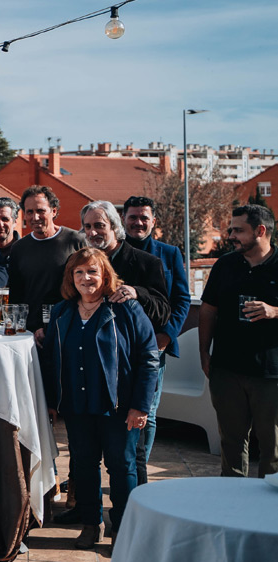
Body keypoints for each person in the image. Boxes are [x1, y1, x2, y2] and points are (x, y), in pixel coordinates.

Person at [40, 248, 157, 549]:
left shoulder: (126, 309)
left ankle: (124, 528)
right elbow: (52, 361)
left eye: (92, 271)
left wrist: (141, 405)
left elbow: (148, 357)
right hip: (78, 406)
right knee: (84, 465)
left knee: (122, 467)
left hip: (119, 407)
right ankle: (92, 524)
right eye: (79, 272)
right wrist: (53, 402)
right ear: (71, 278)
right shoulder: (62, 312)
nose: (85, 278)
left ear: (105, 275)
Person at [199, 204, 278, 478]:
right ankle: (231, 507)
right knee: (231, 445)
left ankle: (268, 514)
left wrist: (274, 311)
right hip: (227, 370)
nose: (231, 235)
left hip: (271, 375)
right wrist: (204, 354)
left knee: (274, 449)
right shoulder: (225, 265)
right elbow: (208, 309)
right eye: (231, 229)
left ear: (260, 230)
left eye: (238, 230)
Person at [122, 195, 191, 484]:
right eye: (133, 217)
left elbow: (182, 300)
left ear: (154, 221)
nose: (138, 222)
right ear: (123, 219)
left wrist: (165, 336)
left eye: (144, 218)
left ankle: (139, 472)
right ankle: (123, 469)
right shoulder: (114, 253)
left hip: (155, 348)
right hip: (119, 347)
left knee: (147, 413)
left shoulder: (169, 253)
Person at [79, 201, 171, 330]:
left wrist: (137, 293)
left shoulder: (147, 263)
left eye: (99, 226)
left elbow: (162, 312)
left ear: (114, 226)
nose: (92, 233)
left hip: (130, 345)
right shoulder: (77, 262)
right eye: (88, 227)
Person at [8, 186, 87, 331]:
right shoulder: (19, 248)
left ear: (54, 211)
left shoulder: (76, 241)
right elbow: (16, 294)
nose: (35, 217)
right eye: (29, 212)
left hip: (68, 327)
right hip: (29, 330)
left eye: (40, 211)